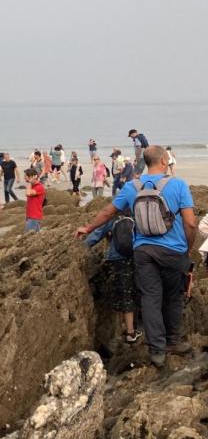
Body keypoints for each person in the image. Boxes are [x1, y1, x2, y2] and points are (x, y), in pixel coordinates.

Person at [76, 145, 195, 367]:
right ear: (163, 161)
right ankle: (173, 342)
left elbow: (108, 212)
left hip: (143, 251)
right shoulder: (178, 185)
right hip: (174, 251)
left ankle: (157, 350)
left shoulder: (132, 186)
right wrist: (187, 248)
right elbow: (190, 222)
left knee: (150, 298)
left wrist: (88, 228)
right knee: (173, 296)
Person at [85, 213, 142, 344]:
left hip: (117, 259)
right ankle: (135, 327)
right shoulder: (137, 213)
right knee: (137, 291)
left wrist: (81, 246)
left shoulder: (113, 216)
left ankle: (129, 331)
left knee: (125, 294)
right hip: (138, 258)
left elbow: (96, 235)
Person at [23, 168, 46, 232]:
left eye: (25, 176)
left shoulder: (39, 187)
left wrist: (30, 182)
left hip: (34, 217)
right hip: (30, 216)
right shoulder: (32, 186)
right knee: (33, 236)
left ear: (31, 177)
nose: (24, 177)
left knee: (28, 235)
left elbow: (28, 193)